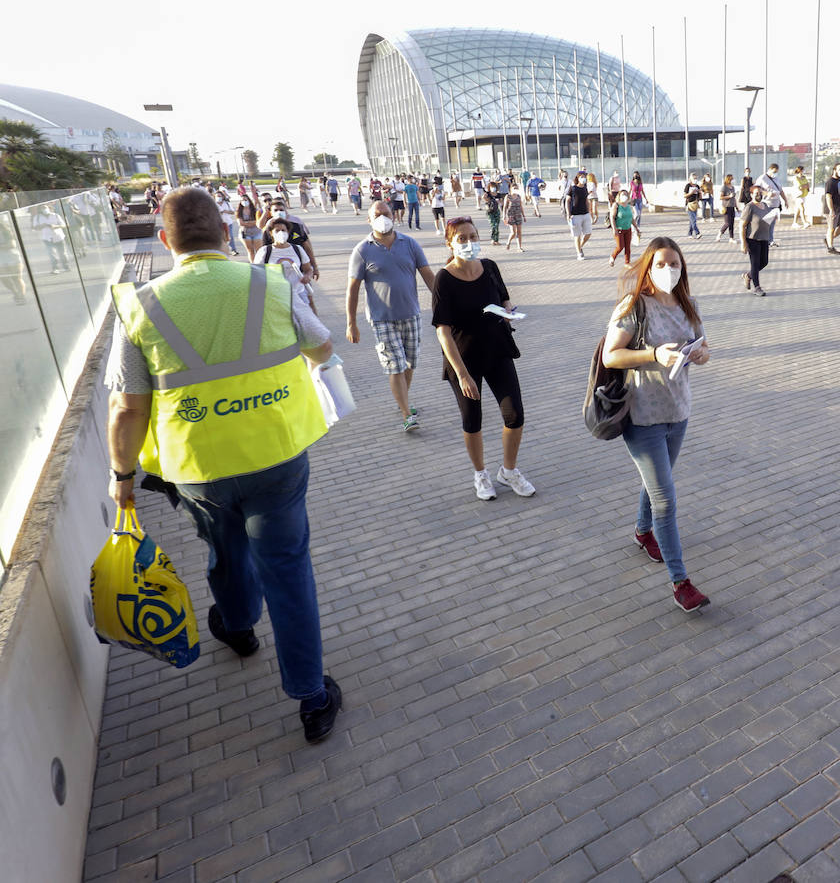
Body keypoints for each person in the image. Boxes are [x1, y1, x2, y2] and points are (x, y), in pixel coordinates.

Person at [105, 187, 342, 743]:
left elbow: (127, 408)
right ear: (229, 233)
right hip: (276, 455)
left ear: (165, 241)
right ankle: (311, 696)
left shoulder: (141, 305)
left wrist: (122, 479)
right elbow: (324, 348)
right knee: (287, 569)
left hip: (198, 469)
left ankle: (238, 628)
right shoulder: (269, 284)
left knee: (226, 551)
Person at [601, 238, 712, 613]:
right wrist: (653, 354)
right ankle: (681, 583)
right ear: (648, 267)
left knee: (657, 482)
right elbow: (611, 355)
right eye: (661, 264)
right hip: (642, 416)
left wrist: (699, 354)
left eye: (675, 263)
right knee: (666, 498)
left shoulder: (688, 305)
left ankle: (642, 530)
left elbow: (707, 349)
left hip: (677, 412)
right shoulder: (634, 307)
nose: (669, 270)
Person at [432, 216, 536, 502]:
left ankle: (509, 470)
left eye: (472, 236)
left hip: (497, 350)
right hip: (463, 359)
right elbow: (443, 332)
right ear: (450, 243)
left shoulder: (489, 266)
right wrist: (463, 375)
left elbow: (503, 297)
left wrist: (508, 308)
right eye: (462, 238)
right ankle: (480, 473)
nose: (468, 242)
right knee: (472, 418)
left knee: (514, 414)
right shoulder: (444, 279)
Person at [346, 201, 437, 432]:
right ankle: (407, 414)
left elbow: (428, 275)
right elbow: (353, 289)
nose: (382, 217)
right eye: (377, 215)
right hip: (381, 319)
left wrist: (446, 303)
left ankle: (402, 401)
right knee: (394, 366)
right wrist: (351, 324)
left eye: (385, 213)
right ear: (369, 220)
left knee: (409, 364)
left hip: (411, 315)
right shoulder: (362, 250)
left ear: (393, 215)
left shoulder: (410, 243)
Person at [255, 216, 315, 311]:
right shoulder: (265, 251)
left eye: (283, 230)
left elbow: (308, 269)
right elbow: (256, 274)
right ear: (271, 233)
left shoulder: (297, 249)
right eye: (277, 231)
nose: (281, 233)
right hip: (276, 296)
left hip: (298, 293)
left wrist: (307, 276)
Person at [738, 184, 778, 296]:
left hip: (764, 238)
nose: (759, 195)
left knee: (764, 262)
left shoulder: (765, 205)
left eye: (760, 193)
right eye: (756, 193)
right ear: (751, 195)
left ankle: (748, 275)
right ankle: (757, 287)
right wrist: (743, 243)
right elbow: (742, 225)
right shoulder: (749, 207)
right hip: (752, 239)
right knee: (755, 264)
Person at [755, 164, 789, 247]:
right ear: (770, 169)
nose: (775, 173)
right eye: (774, 172)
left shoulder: (776, 179)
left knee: (772, 224)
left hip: (775, 204)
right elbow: (756, 189)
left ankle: (770, 240)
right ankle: (763, 240)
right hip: (766, 204)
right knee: (766, 223)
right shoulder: (762, 178)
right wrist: (766, 193)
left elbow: (781, 191)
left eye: (776, 172)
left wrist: (785, 201)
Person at [564, 171, 593, 259]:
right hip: (575, 215)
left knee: (588, 233)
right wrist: (568, 214)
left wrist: (589, 212)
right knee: (577, 235)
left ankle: (580, 246)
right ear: (578, 178)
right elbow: (567, 201)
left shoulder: (585, 188)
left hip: (585, 214)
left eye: (584, 177)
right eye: (581, 177)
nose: (583, 178)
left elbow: (586, 201)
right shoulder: (573, 188)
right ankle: (579, 253)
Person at [823, 162, 840, 254]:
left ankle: (829, 239)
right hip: (832, 209)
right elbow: (828, 196)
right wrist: (831, 210)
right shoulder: (830, 182)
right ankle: (830, 247)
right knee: (831, 228)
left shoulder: (839, 181)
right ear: (834, 170)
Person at [610, 190, 635, 267]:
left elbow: (631, 218)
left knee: (628, 247)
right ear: (619, 196)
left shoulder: (629, 206)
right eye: (622, 194)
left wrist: (636, 228)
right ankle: (612, 257)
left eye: (626, 195)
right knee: (620, 246)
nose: (624, 196)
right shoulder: (616, 205)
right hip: (619, 229)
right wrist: (614, 229)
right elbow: (612, 217)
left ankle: (627, 262)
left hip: (628, 229)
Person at [215, 189, 242, 256]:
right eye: (217, 196)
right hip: (218, 223)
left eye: (220, 196)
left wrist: (225, 211)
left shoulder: (227, 203)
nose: (219, 197)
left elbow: (233, 212)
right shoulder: (213, 204)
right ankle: (220, 250)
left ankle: (233, 249)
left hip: (227, 222)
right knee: (220, 237)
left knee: (230, 236)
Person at [715, 174, 738, 243]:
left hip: (732, 206)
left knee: (732, 223)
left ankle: (731, 238)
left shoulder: (733, 187)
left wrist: (736, 206)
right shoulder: (724, 187)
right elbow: (721, 197)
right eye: (731, 179)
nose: (733, 180)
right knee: (727, 223)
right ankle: (720, 234)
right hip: (726, 207)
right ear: (728, 179)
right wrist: (728, 196)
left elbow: (734, 198)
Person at [503, 184, 526, 251]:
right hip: (511, 215)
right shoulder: (508, 196)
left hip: (518, 215)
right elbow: (505, 207)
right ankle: (508, 242)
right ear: (511, 188)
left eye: (516, 188)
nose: (515, 189)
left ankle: (519, 247)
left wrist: (524, 215)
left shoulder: (519, 196)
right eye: (514, 188)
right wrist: (504, 216)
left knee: (519, 232)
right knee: (513, 232)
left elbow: (521, 206)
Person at [682, 174, 702, 240]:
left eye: (696, 178)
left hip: (695, 204)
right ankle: (697, 233)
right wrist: (691, 193)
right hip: (689, 204)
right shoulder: (688, 186)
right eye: (694, 178)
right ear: (690, 179)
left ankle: (689, 234)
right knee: (693, 220)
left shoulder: (697, 186)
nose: (695, 180)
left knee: (692, 220)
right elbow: (685, 195)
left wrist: (700, 192)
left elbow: (700, 197)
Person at [628, 171, 645, 242]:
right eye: (635, 176)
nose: (636, 178)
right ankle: (632, 225)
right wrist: (627, 199)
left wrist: (646, 198)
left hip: (640, 199)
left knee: (639, 214)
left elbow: (642, 191)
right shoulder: (631, 183)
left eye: (637, 176)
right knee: (636, 213)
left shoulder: (640, 183)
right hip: (634, 200)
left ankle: (637, 227)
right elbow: (629, 191)